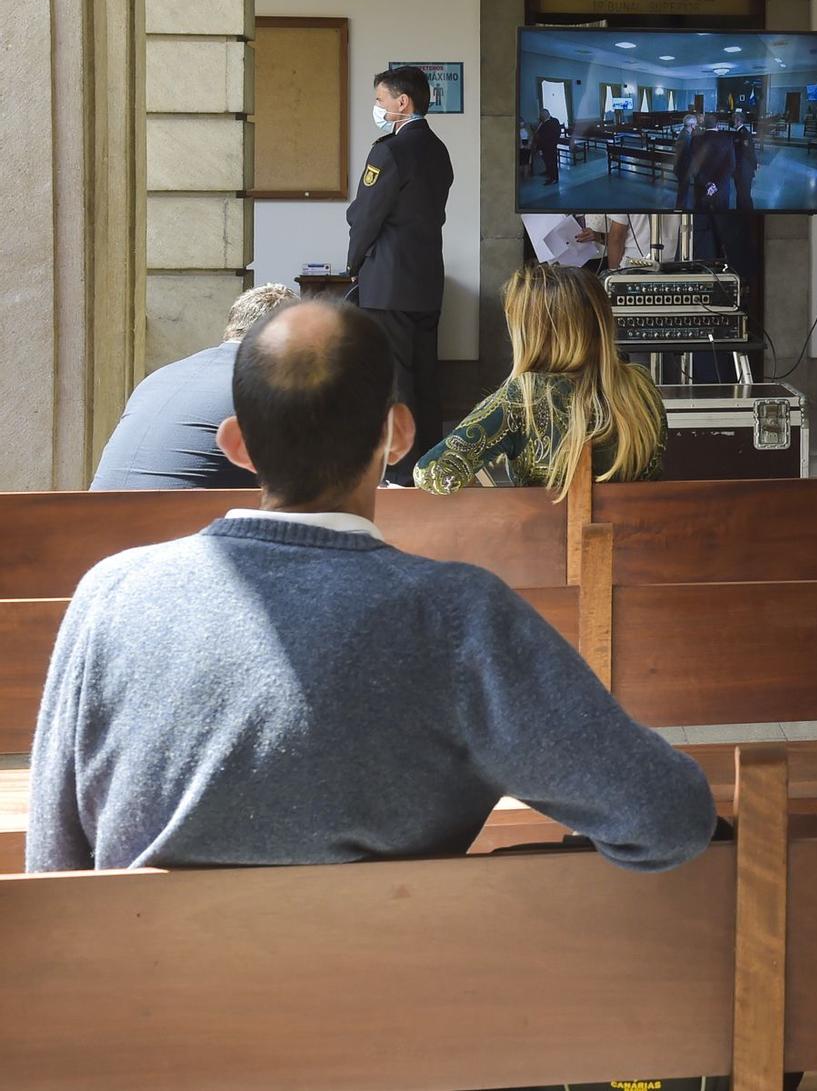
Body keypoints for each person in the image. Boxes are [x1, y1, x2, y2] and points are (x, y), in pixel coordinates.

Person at [29, 299, 714, 873]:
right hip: (394, 1019)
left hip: (147, 1018)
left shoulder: (109, 596)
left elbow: (54, 868)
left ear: (236, 444)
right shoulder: (459, 618)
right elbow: (669, 815)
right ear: (397, 433)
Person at [414, 264, 666, 498]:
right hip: (636, 542)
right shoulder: (641, 387)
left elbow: (431, 473)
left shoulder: (522, 397)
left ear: (533, 334)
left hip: (548, 543)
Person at [347, 65, 454, 485]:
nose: (377, 107)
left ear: (401, 102)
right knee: (426, 377)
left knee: (395, 379)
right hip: (427, 278)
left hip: (387, 284)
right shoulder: (439, 150)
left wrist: (354, 264)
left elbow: (365, 217)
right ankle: (430, 462)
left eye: (380, 99)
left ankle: (401, 471)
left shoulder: (388, 151)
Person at [90, 284, 296, 490]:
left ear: (233, 326)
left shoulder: (159, 377)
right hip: (182, 519)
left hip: (90, 517)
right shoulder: (264, 385)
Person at [533, 108, 562, 186]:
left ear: (546, 114)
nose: (540, 116)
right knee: (547, 162)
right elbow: (539, 134)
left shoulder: (554, 121)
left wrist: (552, 144)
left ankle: (554, 178)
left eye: (541, 115)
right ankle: (550, 175)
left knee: (552, 163)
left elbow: (556, 134)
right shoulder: (542, 123)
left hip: (550, 146)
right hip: (544, 147)